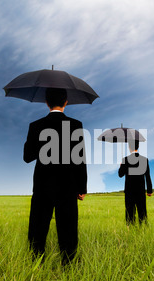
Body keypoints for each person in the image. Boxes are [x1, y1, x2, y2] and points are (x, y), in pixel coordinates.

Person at [23, 87, 87, 266]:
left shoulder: (35, 126)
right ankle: (68, 264)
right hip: (68, 183)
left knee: (38, 224)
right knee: (67, 225)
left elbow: (27, 157)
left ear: (46, 102)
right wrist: (82, 187)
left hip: (43, 183)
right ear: (66, 102)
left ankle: (36, 264)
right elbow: (80, 159)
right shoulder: (76, 125)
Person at [118, 139, 153, 225]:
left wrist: (121, 166)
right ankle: (143, 230)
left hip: (129, 191)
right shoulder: (144, 160)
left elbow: (120, 174)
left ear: (129, 147)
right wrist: (149, 190)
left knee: (130, 212)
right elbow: (147, 175)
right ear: (138, 146)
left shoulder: (125, 160)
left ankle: (130, 230)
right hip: (140, 191)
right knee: (142, 211)